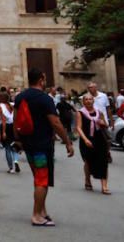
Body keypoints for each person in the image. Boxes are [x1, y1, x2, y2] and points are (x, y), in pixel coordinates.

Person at [14, 68, 74, 227]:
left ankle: (42, 211)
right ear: (41, 79)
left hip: (28, 144)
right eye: (45, 78)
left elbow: (16, 121)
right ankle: (36, 215)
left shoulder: (20, 97)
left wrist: (18, 140)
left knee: (39, 179)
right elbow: (55, 123)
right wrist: (67, 142)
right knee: (42, 180)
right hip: (42, 144)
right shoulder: (44, 99)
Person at [76, 93, 110, 195]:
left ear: (93, 101)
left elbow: (105, 125)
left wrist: (103, 123)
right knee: (88, 161)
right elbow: (78, 127)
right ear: (83, 101)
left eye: (90, 99)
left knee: (103, 162)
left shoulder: (99, 112)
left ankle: (104, 186)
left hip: (99, 139)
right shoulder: (80, 113)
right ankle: (87, 180)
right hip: (86, 139)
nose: (88, 101)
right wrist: (85, 139)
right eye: (86, 99)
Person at [0, 92, 19, 173]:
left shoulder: (1, 106)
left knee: (7, 148)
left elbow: (3, 120)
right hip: (14, 126)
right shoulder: (12, 105)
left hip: (6, 127)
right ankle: (16, 161)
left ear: (2, 99)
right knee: (15, 146)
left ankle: (11, 168)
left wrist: (3, 132)